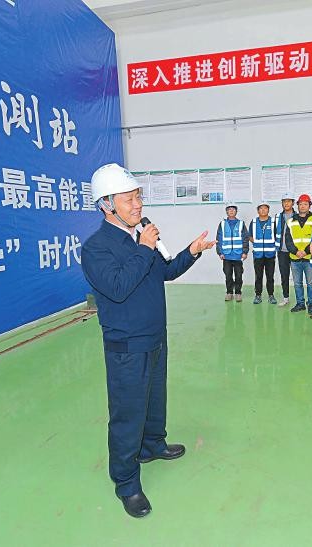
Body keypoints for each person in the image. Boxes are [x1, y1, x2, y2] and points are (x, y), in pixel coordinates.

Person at [81, 164, 214, 518]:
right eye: (129, 199)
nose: (138, 204)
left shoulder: (140, 238)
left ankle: (153, 444)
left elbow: (164, 271)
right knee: (127, 414)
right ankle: (126, 483)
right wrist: (144, 247)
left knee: (155, 399)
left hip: (155, 337)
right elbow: (118, 287)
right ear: (107, 205)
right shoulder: (96, 248)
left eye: (138, 197)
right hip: (127, 347)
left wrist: (192, 251)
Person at [285, 194, 312, 314]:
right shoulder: (290, 221)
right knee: (297, 283)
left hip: (309, 258)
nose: (303, 206)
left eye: (305, 204)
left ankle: (311, 304)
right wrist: (296, 251)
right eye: (301, 204)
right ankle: (300, 303)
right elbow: (288, 240)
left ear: (309, 205)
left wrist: (306, 251)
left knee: (311, 283)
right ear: (297, 205)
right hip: (295, 258)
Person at [216, 203, 249, 302]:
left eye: (233, 209)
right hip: (226, 255)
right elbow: (219, 239)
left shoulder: (241, 223)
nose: (231, 211)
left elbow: (245, 238)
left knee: (239, 275)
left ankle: (238, 293)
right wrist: (220, 252)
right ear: (226, 211)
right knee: (228, 275)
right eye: (229, 209)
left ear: (236, 211)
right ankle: (229, 292)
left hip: (238, 255)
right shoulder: (222, 224)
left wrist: (245, 252)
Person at [249, 202, 278, 304]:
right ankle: (258, 295)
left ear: (268, 210)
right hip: (258, 254)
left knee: (270, 276)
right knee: (258, 276)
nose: (263, 210)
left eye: (265, 208)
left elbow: (277, 236)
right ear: (258, 211)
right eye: (261, 208)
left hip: (270, 254)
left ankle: (271, 295)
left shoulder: (273, 222)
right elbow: (250, 236)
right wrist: (256, 242)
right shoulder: (253, 222)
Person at [275, 192, 295, 307]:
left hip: (295, 251)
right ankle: (286, 298)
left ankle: (300, 300)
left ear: (293, 203)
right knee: (284, 275)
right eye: (284, 201)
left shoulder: (297, 216)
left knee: (297, 277)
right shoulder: (278, 217)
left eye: (288, 201)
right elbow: (274, 232)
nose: (286, 203)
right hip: (282, 251)